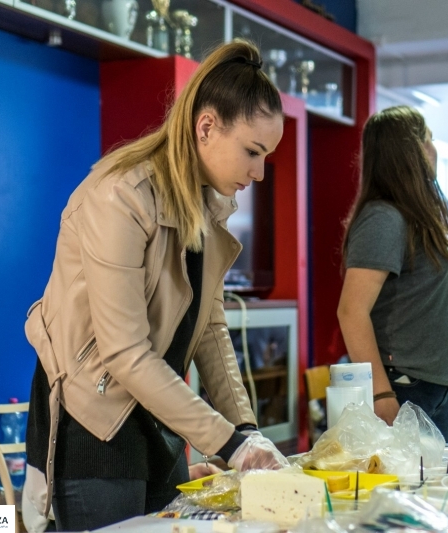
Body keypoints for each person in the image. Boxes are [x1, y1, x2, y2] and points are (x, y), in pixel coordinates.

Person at [24, 41, 288, 532]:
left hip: (159, 421)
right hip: (95, 427)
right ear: (206, 127)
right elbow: (125, 352)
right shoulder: (120, 197)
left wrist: (246, 429)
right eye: (252, 152)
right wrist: (229, 444)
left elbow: (210, 330)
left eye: (266, 156)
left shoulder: (205, 206)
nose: (258, 172)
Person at [337, 105, 448, 441]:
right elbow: (351, 311)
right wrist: (381, 393)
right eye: (428, 139)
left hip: (432, 386)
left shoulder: (416, 216)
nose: (434, 149)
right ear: (409, 151)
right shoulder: (385, 217)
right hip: (402, 385)